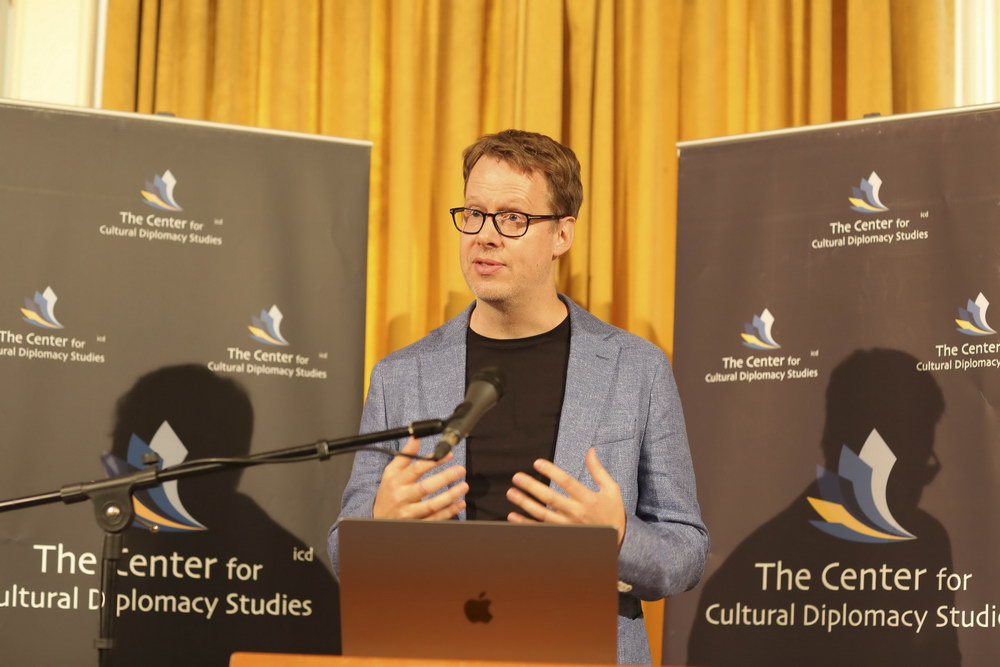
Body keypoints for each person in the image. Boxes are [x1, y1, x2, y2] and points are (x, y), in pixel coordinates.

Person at [328, 129, 708, 665]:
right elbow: (343, 553)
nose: (485, 236)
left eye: (512, 218)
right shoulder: (401, 375)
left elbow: (686, 552)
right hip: (433, 652)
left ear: (561, 235)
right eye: (474, 214)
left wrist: (618, 537)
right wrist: (376, 525)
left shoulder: (636, 369)